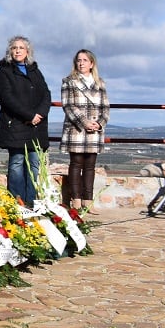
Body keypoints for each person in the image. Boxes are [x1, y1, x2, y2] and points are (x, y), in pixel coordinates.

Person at [0, 36, 51, 208]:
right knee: (17, 164)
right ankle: (17, 203)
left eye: (21, 48)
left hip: (36, 127)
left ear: (28, 51)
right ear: (10, 51)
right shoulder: (4, 72)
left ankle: (32, 203)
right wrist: (29, 115)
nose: (18, 50)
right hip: (16, 126)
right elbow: (7, 98)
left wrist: (40, 114)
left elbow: (46, 94)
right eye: (14, 48)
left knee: (34, 164)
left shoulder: (35, 71)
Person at [61, 49, 109, 212]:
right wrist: (84, 122)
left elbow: (105, 107)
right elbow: (68, 105)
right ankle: (75, 200)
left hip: (95, 130)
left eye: (85, 60)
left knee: (90, 166)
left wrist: (99, 123)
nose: (81, 63)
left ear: (92, 63)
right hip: (77, 129)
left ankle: (88, 201)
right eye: (79, 60)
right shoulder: (68, 81)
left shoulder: (100, 83)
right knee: (76, 164)